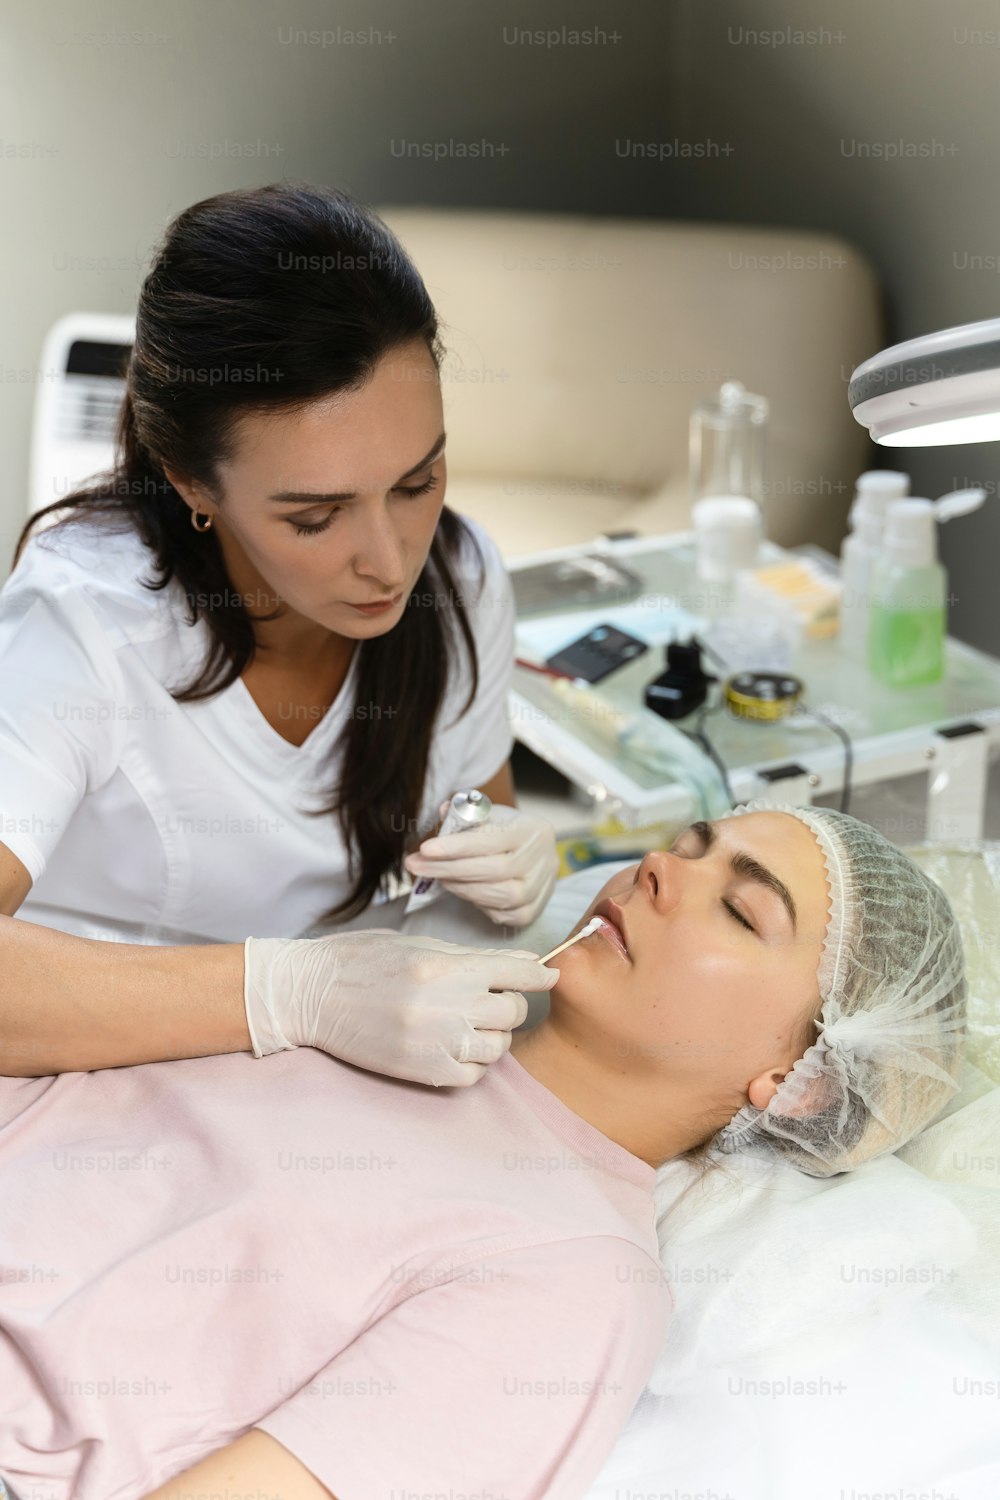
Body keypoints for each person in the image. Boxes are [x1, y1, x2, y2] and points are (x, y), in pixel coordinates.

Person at [0, 804, 966, 1500]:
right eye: (688, 845)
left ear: (799, 1080)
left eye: (741, 911)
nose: (662, 870)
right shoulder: (378, 995)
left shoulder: (576, 1283)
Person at [0, 181, 559, 1088]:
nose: (389, 561)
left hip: (320, 1082)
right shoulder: (82, 624)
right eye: (315, 516)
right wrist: (288, 991)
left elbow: (472, 822)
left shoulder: (459, 581)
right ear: (192, 485)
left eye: (416, 483)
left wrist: (500, 858)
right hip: (85, 1075)